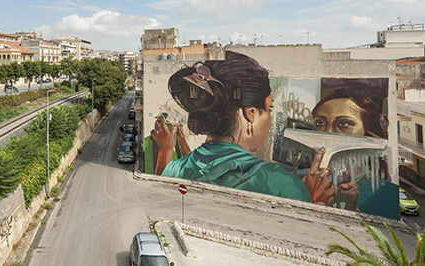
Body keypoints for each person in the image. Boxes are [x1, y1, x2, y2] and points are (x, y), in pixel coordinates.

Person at [156, 52, 335, 205]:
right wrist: (310, 202)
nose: (270, 118)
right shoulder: (281, 184)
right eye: (269, 108)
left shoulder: (173, 170)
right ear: (251, 113)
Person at [310, 88, 397, 217]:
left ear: (368, 133)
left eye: (344, 124)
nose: (327, 132)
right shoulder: (294, 179)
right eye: (320, 123)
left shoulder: (386, 193)